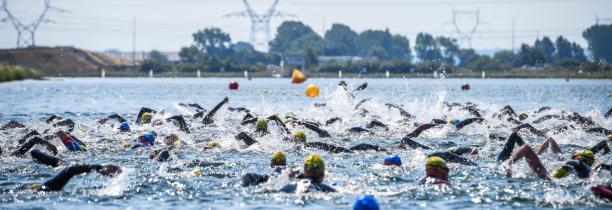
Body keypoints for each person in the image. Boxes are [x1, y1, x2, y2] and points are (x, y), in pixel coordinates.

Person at [29, 164, 121, 191]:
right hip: (46, 189)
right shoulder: (48, 188)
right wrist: (99, 169)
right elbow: (70, 170)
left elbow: (70, 170)